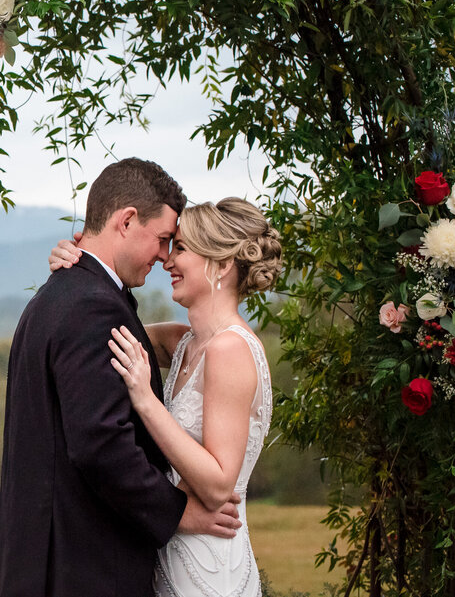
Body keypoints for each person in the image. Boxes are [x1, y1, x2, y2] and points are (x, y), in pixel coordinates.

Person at [0, 159, 242, 597]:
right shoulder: (92, 306)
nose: (164, 257)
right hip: (82, 571)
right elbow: (101, 444)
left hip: (44, 565)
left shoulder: (65, 293)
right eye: (163, 240)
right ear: (126, 221)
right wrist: (180, 513)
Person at [49, 197, 282, 597]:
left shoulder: (230, 351)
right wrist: (82, 265)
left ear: (222, 265)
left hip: (209, 569)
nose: (167, 262)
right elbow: (106, 327)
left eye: (182, 249)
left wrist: (146, 399)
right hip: (170, 554)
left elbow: (217, 485)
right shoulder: (186, 342)